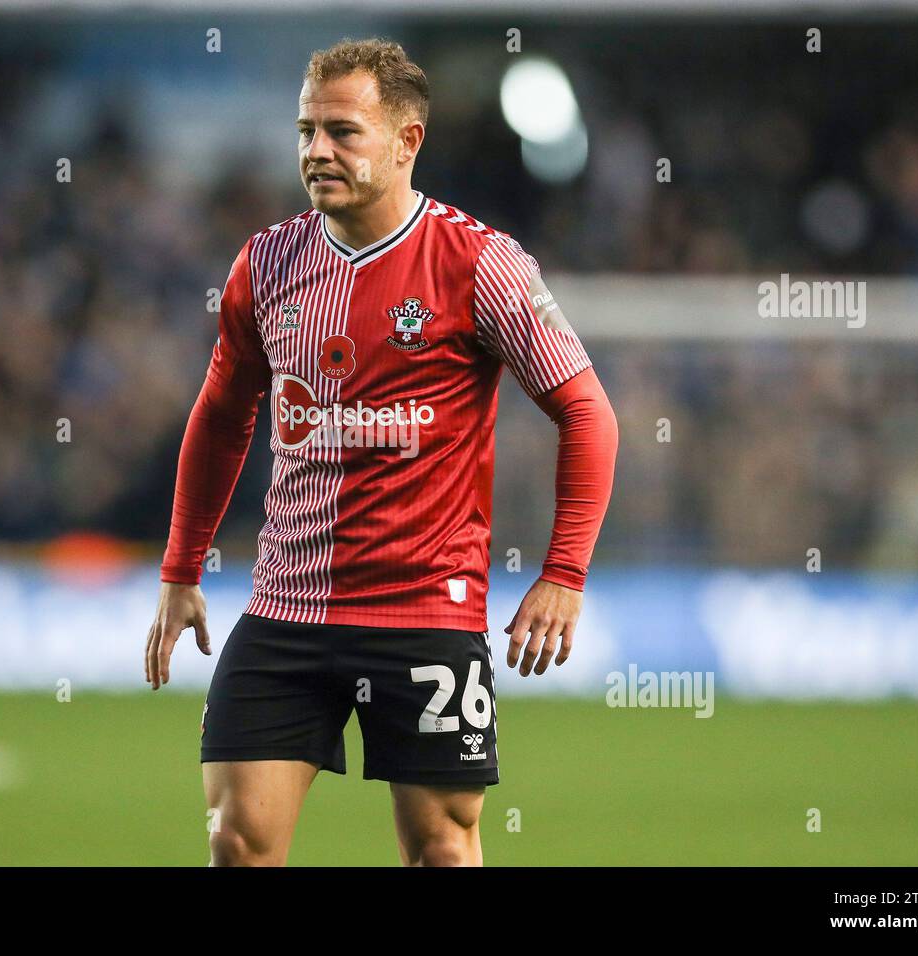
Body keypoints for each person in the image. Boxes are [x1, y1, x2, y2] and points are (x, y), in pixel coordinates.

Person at [145, 38, 619, 866]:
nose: (316, 151)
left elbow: (586, 413)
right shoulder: (268, 263)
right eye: (305, 130)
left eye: (342, 131)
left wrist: (564, 574)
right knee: (238, 842)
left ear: (407, 142)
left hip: (424, 613)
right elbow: (223, 415)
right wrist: (182, 568)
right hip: (286, 610)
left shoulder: (480, 265)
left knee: (440, 844)